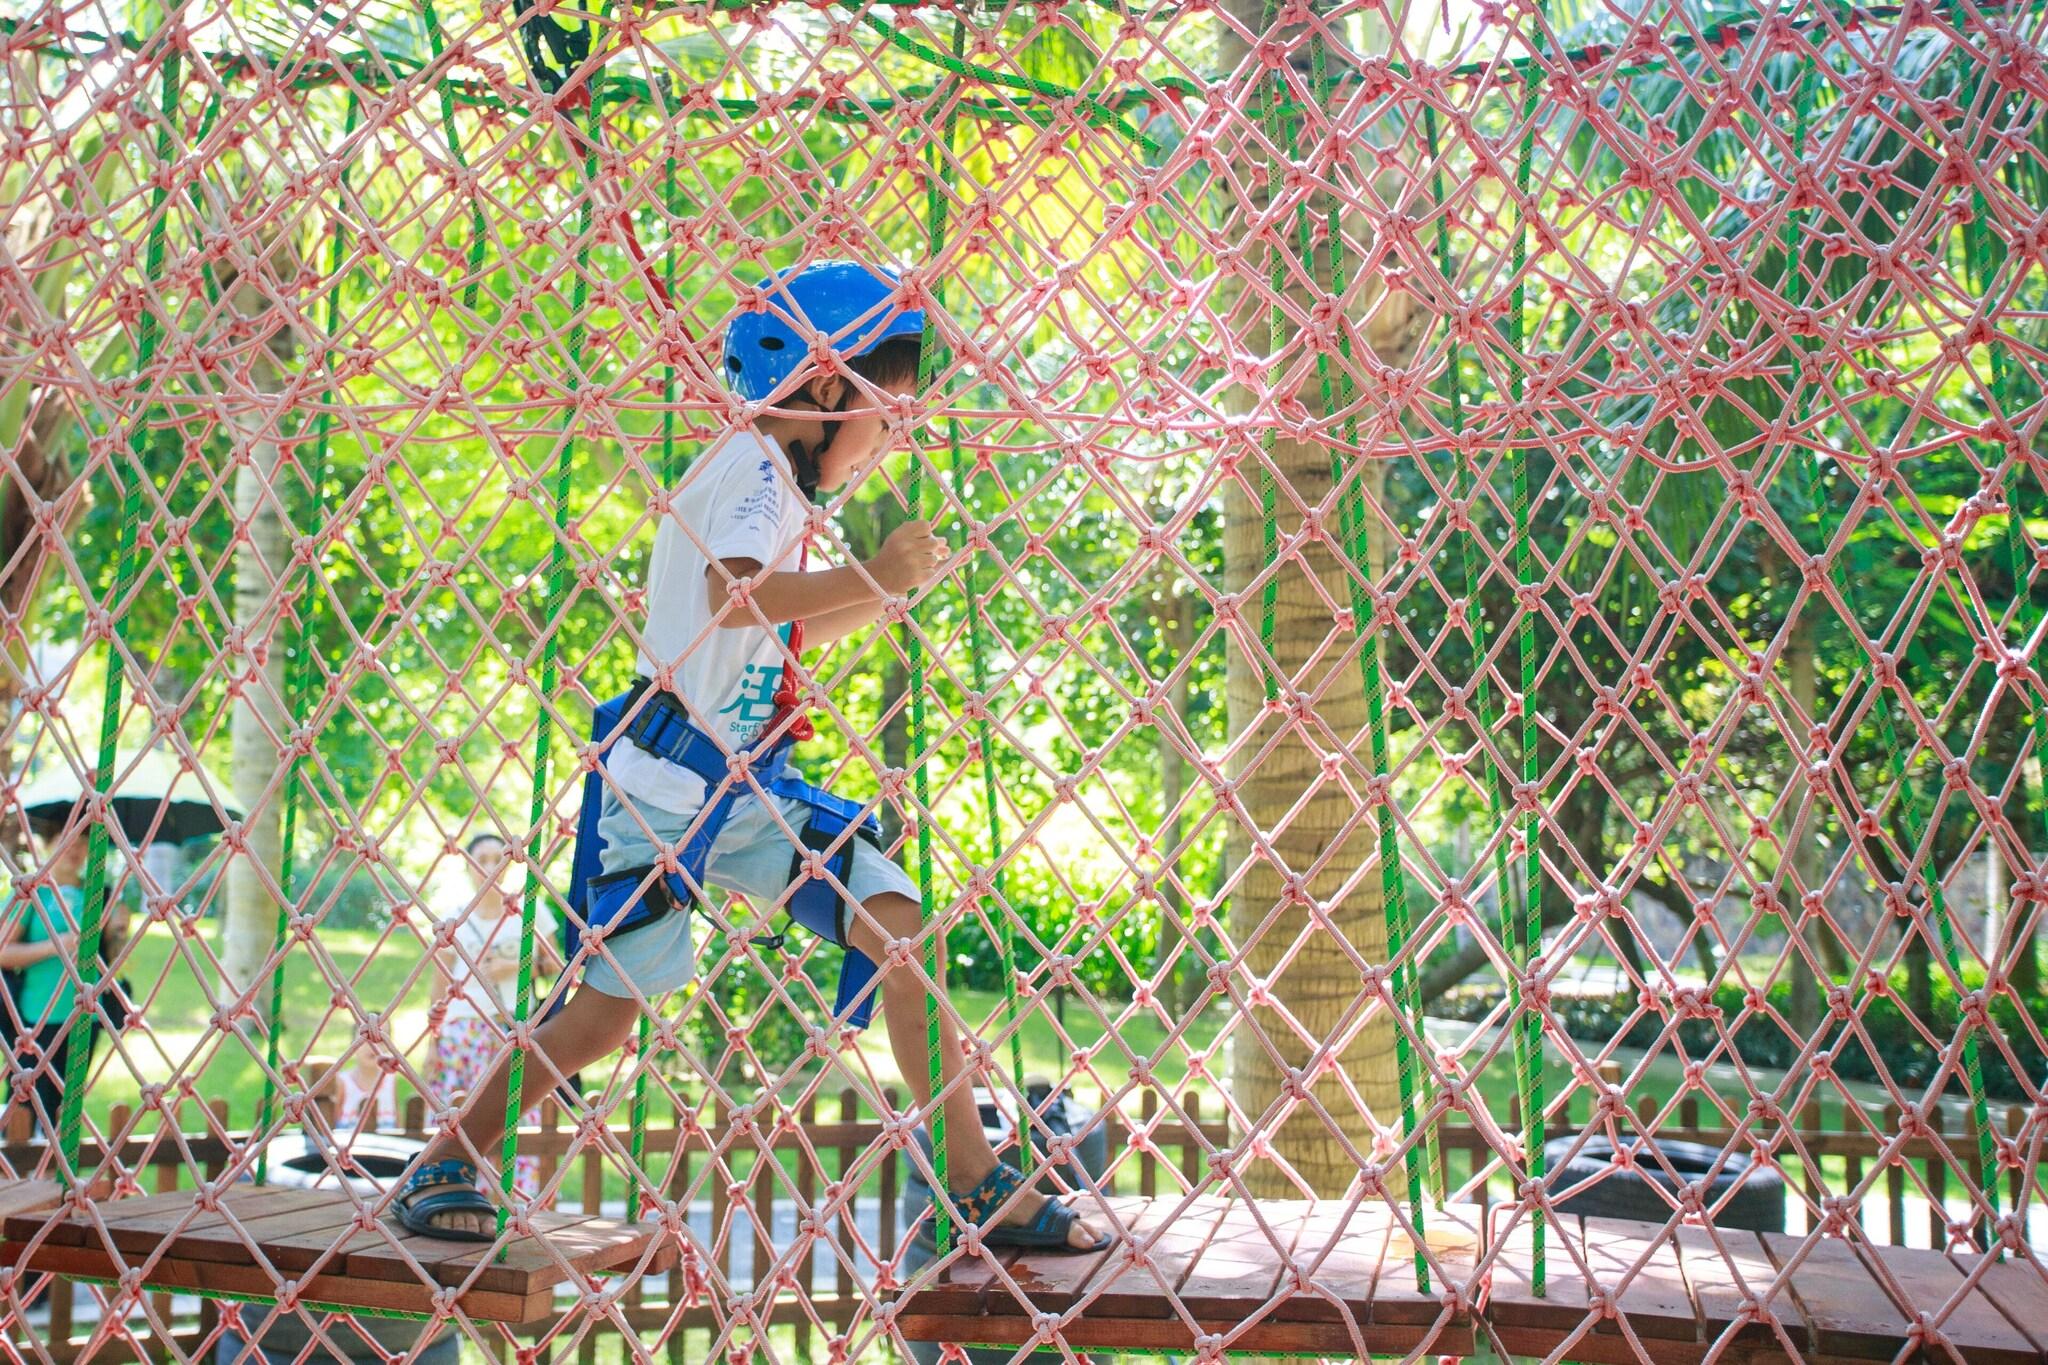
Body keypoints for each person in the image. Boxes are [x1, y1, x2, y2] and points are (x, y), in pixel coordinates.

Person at [391, 260, 1106, 1252]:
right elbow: (736, 594)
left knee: (902, 933)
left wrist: (878, 591)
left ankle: (973, 1180)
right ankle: (447, 1158)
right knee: (600, 1021)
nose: (892, 432)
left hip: (745, 788)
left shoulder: (771, 484)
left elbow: (758, 623)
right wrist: (876, 570)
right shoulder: (757, 474)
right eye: (886, 410)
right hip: (666, 794)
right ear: (823, 392)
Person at [424, 832, 556, 1194]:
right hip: (462, 1028)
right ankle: (455, 1191)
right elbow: (439, 982)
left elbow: (555, 964)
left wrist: (516, 965)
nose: (487, 866)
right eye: (479, 859)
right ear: (467, 865)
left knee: (509, 1113)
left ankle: (510, 1195)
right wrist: (431, 1041)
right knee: (458, 1113)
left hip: (510, 1027)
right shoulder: (454, 916)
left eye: (494, 858)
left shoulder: (529, 910)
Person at [1, 826, 129, 1139]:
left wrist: (119, 932)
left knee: (65, 1101)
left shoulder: (100, 894)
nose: (75, 850)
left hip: (84, 1013)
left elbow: (112, 959)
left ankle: (57, 1175)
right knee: (27, 1100)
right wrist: (60, 943)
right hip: (36, 1014)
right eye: (67, 841)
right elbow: (4, 951)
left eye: (84, 843)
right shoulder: (30, 892)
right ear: (46, 844)